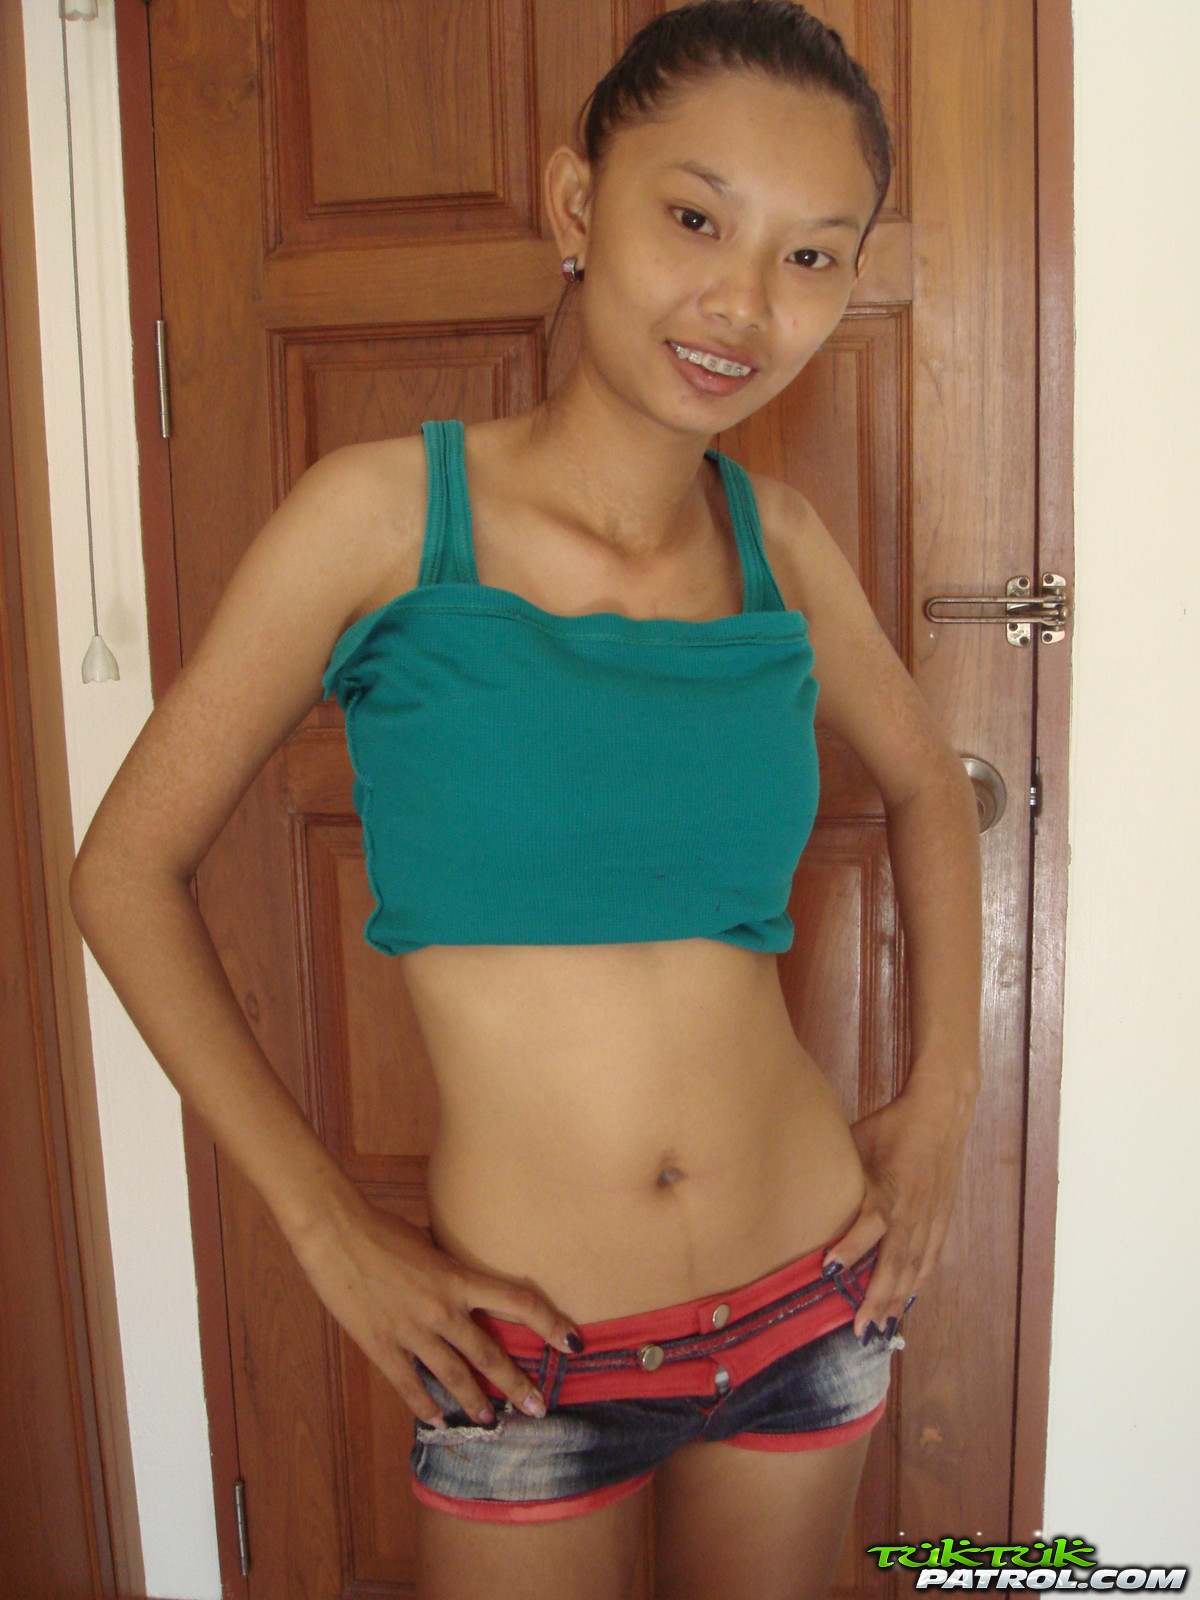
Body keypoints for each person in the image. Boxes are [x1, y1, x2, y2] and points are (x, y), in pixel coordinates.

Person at [69, 4, 982, 1597]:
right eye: (694, 219)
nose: (744, 302)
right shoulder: (378, 519)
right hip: (526, 1352)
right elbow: (123, 871)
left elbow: (929, 787)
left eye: (811, 256)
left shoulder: (780, 543)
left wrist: (944, 1100)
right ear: (576, 204)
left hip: (808, 1298)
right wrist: (326, 1228)